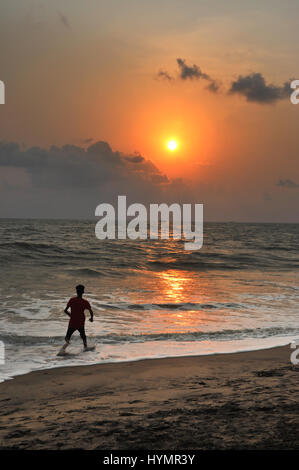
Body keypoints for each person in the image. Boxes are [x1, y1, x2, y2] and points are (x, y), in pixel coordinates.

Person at [58, 284, 94, 355]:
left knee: (67, 337)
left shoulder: (72, 300)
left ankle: (63, 350)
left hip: (73, 321)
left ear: (76, 291)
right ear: (83, 292)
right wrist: (91, 318)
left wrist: (71, 316)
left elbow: (65, 310)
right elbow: (90, 311)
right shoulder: (85, 302)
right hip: (80, 321)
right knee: (83, 335)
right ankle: (85, 347)